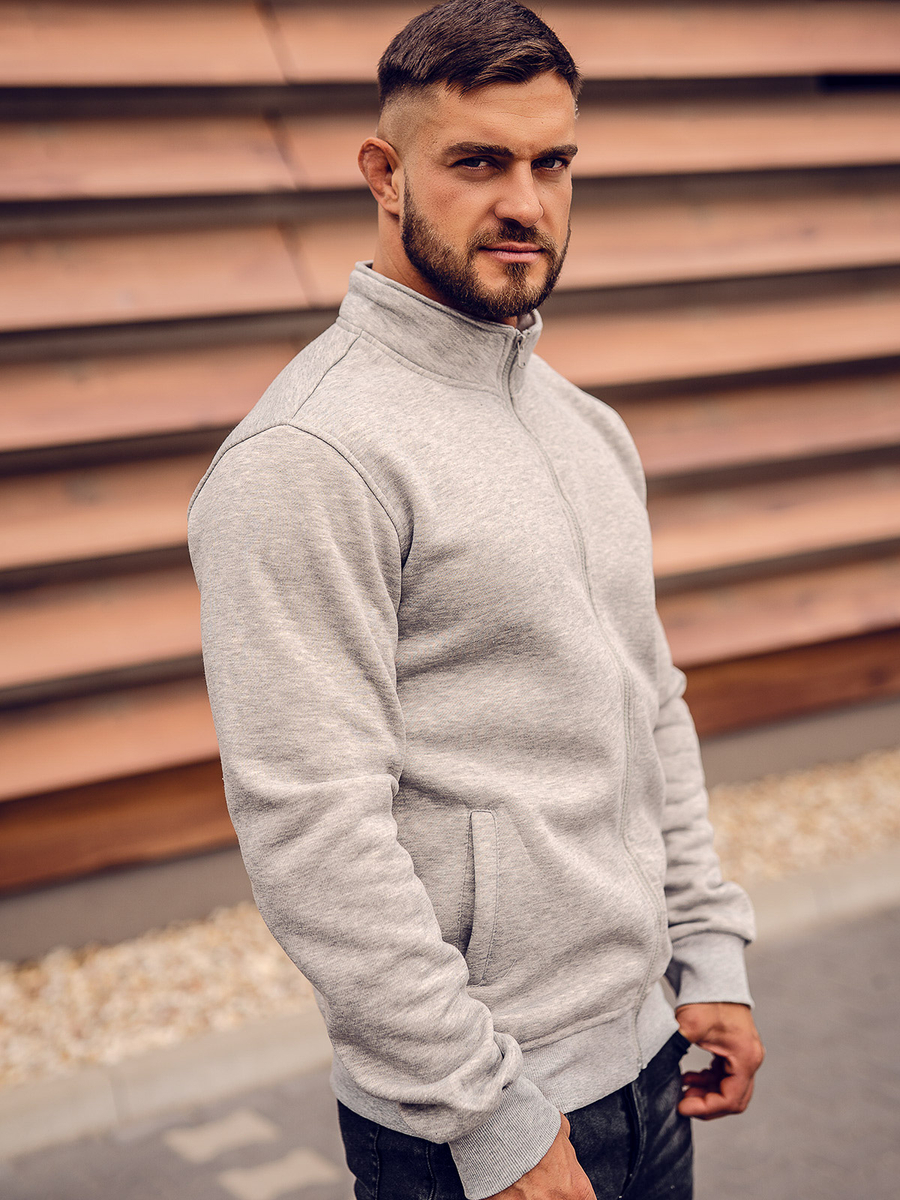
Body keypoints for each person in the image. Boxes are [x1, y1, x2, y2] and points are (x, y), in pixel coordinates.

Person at [188, 2, 764, 1197]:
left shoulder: (584, 427)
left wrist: (707, 950)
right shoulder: (311, 457)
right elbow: (314, 832)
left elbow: (649, 706)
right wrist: (489, 1117)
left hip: (651, 1064)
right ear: (384, 175)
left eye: (552, 163)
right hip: (475, 1123)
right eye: (479, 162)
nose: (526, 202)